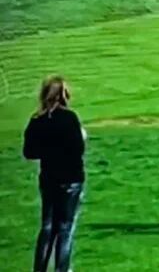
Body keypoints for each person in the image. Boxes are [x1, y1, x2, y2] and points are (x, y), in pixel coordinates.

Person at [23, 75, 86, 272]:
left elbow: (29, 152)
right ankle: (62, 269)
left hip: (49, 178)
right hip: (71, 178)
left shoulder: (37, 121)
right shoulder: (70, 118)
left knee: (48, 227)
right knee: (65, 228)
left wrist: (48, 150)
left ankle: (39, 268)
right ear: (63, 95)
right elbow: (78, 149)